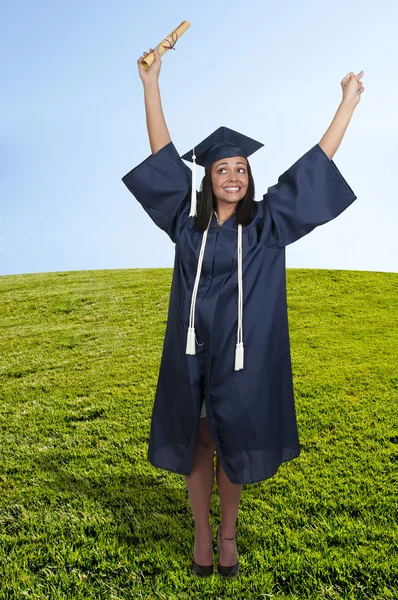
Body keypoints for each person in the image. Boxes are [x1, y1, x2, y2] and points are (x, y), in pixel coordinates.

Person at [121, 46, 364, 578]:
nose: (233, 176)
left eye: (241, 169)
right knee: (200, 440)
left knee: (229, 441)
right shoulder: (185, 227)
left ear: (250, 178)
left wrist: (345, 104)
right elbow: (163, 156)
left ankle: (227, 534)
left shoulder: (268, 226)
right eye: (222, 169)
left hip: (242, 360)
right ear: (208, 178)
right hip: (192, 358)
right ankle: (202, 534)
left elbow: (314, 167)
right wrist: (150, 84)